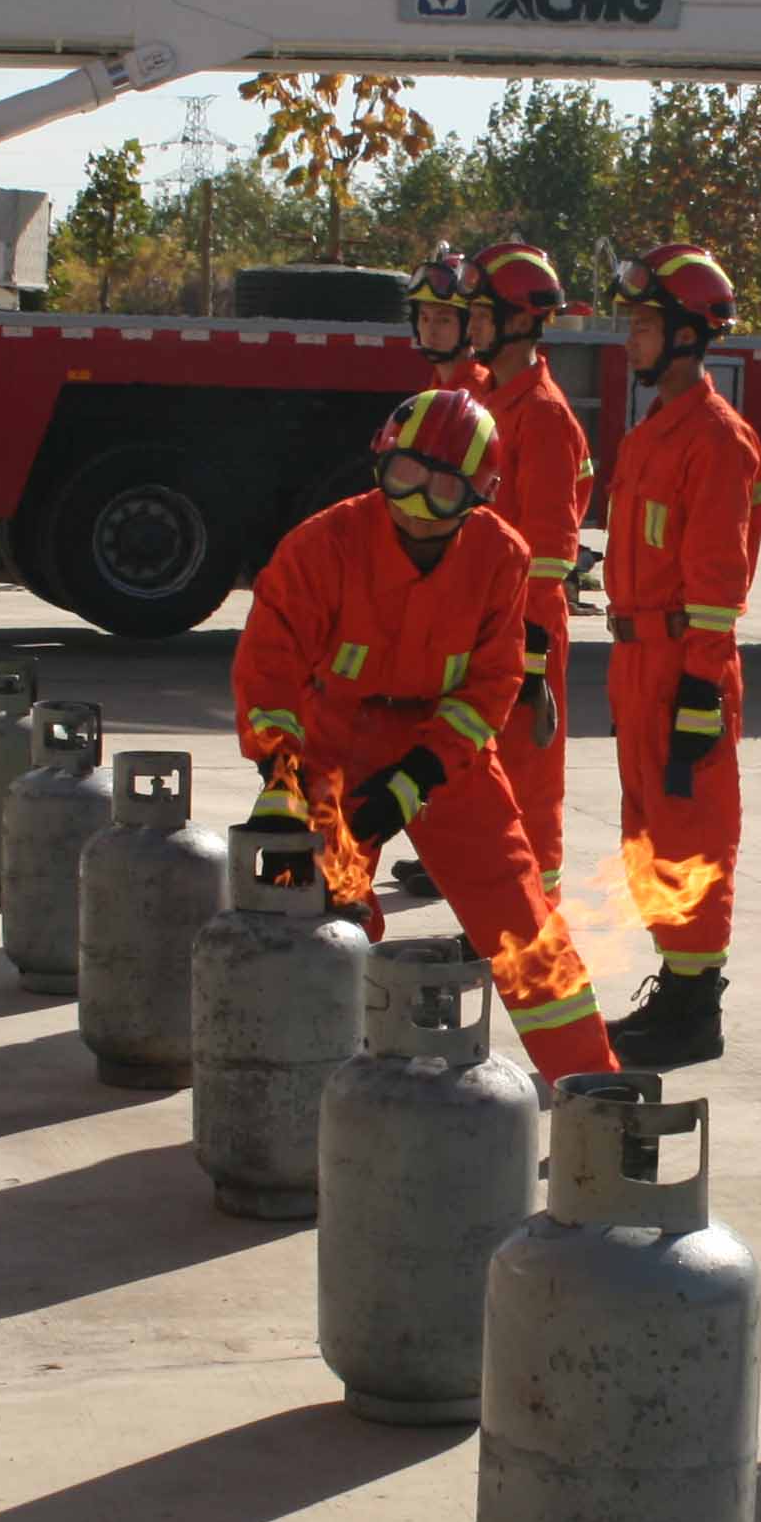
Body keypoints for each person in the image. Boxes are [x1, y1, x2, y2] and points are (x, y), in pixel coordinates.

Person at [232, 388, 621, 1080]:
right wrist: (282, 783)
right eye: (406, 474)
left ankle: (592, 1089)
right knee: (306, 908)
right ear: (380, 462)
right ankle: (309, 1076)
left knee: (522, 926)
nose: (418, 501)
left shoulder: (502, 557)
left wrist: (417, 779)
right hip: (329, 742)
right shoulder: (323, 544)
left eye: (443, 486)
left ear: (479, 495)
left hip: (444, 750)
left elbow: (488, 689)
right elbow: (270, 670)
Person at [596, 243, 761, 1068]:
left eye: (644, 323)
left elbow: (715, 582)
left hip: (683, 667)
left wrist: (700, 686)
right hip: (637, 663)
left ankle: (697, 1008)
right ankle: (675, 979)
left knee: (692, 833)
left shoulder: (716, 441)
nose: (630, 337)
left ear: (690, 337)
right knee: (648, 829)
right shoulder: (651, 436)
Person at [463, 241, 591, 914]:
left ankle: (535, 929)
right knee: (489, 789)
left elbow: (547, 557)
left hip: (523, 638)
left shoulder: (540, 416)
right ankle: (501, 920)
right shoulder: (491, 401)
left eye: (484, 313)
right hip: (486, 636)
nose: (473, 325)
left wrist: (533, 670)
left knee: (527, 790)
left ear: (519, 321)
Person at [403, 250, 485, 393]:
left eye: (444, 320)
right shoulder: (438, 384)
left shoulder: (481, 391)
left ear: (469, 325)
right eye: (425, 318)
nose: (430, 331)